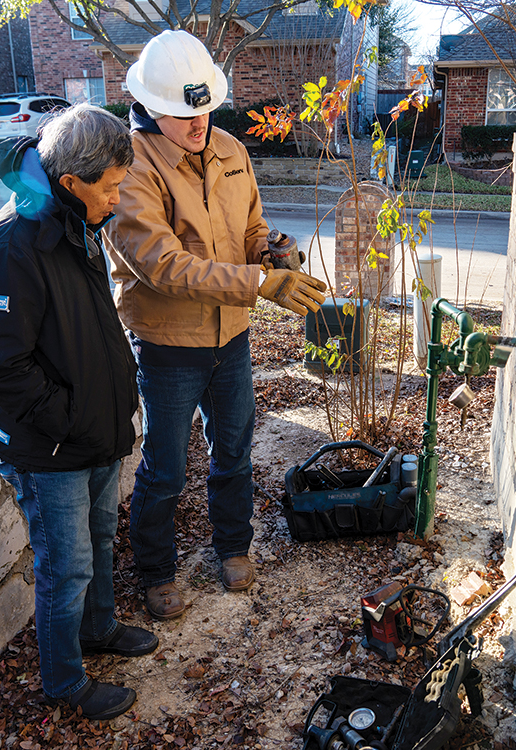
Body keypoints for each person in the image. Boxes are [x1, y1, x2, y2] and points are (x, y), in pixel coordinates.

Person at [104, 30, 327, 620]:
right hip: (167, 344)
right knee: (166, 464)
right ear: (150, 107)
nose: (198, 121)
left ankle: (232, 546)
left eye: (203, 107)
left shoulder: (230, 149)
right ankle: (155, 571)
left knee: (232, 449)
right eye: (182, 111)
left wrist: (273, 254)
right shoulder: (130, 168)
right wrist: (258, 284)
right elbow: (164, 268)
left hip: (231, 336)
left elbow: (250, 229)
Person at [0, 104, 157, 722]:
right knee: (65, 566)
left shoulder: (74, 221)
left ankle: (98, 629)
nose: (118, 199)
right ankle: (64, 683)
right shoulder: (14, 242)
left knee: (101, 542)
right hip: (53, 446)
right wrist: (71, 418)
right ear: (72, 182)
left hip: (93, 432)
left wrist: (107, 409)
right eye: (110, 188)